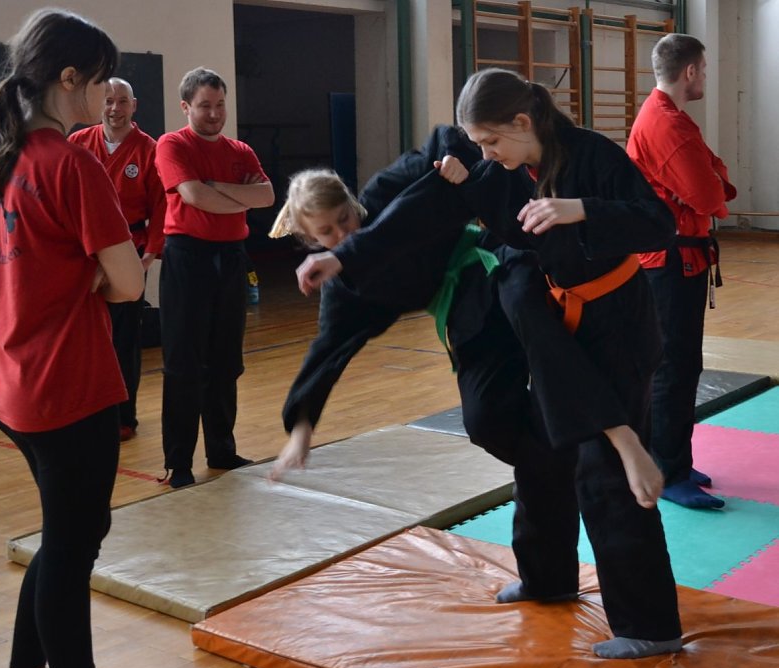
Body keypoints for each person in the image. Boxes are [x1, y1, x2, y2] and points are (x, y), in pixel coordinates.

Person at [297, 69, 682, 660]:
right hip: (557, 321)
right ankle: (547, 577)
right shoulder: (499, 173)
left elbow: (660, 222)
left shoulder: (590, 156)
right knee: (541, 447)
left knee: (604, 474)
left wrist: (580, 209)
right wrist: (344, 259)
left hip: (619, 324)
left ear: (523, 123)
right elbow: (417, 210)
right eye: (476, 144)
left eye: (490, 142)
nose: (482, 154)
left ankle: (650, 625)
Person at [0, 8, 172, 668]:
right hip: (63, 385)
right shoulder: (71, 161)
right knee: (73, 542)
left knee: (68, 532)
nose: (103, 98)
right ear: (69, 80)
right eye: (96, 84)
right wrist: (91, 276)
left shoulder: (5, 155)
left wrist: (77, 274)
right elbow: (126, 283)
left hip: (13, 381)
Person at [270, 131, 652, 491]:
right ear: (309, 238)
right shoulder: (343, 291)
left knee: (530, 315)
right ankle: (556, 467)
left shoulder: (385, 194)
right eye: (327, 232)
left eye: (345, 218)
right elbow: (328, 352)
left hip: (492, 261)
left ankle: (620, 434)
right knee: (484, 420)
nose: (343, 234)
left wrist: (454, 160)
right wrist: (301, 433)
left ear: (352, 203)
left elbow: (445, 138)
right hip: (463, 310)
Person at [627, 33, 736, 510]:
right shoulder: (666, 124)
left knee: (680, 363)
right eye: (704, 70)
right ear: (689, 71)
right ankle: (668, 471)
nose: (705, 77)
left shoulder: (672, 119)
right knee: (673, 366)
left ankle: (673, 458)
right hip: (669, 261)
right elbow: (709, 195)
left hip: (678, 256)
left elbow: (717, 177)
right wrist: (710, 183)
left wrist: (711, 181)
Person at [154, 68, 274, 489]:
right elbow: (193, 197)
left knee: (226, 361)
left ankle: (221, 449)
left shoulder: (240, 150)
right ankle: (178, 462)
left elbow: (267, 196)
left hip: (230, 257)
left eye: (220, 104)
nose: (214, 113)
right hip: (187, 257)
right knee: (185, 363)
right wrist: (228, 196)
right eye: (205, 106)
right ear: (187, 106)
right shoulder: (172, 145)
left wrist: (216, 187)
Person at [69, 77, 167, 442]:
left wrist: (149, 255)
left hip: (129, 247)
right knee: (85, 339)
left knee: (124, 340)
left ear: (134, 105)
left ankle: (124, 416)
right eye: (109, 101)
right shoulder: (78, 143)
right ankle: (85, 413)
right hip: (84, 252)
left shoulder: (149, 149)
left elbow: (162, 205)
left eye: (122, 101)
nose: (115, 108)